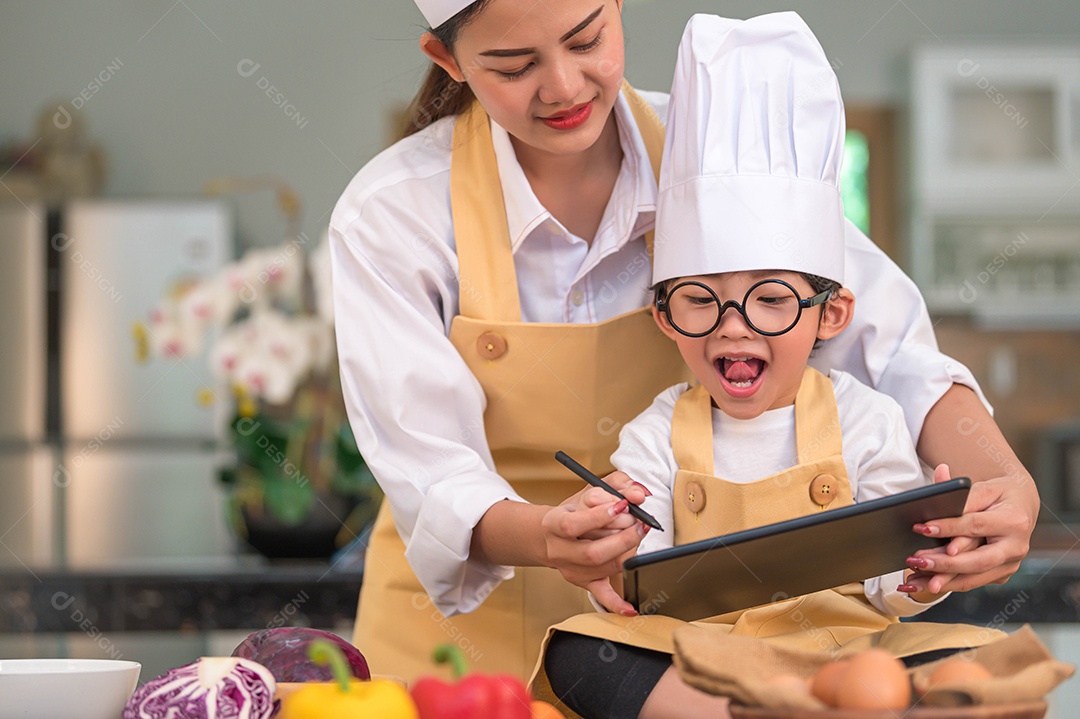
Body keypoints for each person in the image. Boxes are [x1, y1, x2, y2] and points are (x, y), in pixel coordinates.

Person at [329, 0, 1038, 683]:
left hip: (679, 655)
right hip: (459, 645)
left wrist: (1004, 481)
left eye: (585, 39)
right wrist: (549, 534)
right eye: (514, 66)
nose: (565, 85)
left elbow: (897, 355)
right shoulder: (393, 211)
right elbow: (430, 467)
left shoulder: (718, 150)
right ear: (445, 58)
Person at [534, 14, 1004, 719]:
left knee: (969, 656)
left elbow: (886, 585)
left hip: (848, 650)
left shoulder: (869, 419)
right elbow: (636, 568)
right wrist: (614, 550)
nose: (734, 326)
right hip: (704, 661)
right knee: (577, 649)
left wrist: (917, 572)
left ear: (831, 314)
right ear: (665, 317)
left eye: (772, 300)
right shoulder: (656, 431)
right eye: (701, 301)